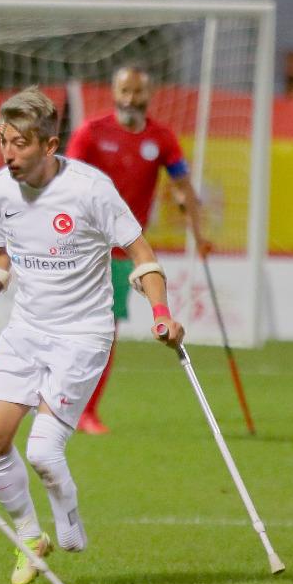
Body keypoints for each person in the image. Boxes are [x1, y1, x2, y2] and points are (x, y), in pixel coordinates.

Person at [0, 87, 183, 584]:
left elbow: (143, 255)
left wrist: (161, 312)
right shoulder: (0, 190)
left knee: (42, 454)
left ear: (50, 145)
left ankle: (69, 522)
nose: (9, 154)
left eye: (21, 144)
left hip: (82, 334)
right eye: (5, 142)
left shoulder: (91, 190)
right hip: (26, 329)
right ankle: (30, 537)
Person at [65, 65, 213, 435]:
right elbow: (64, 181)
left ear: (149, 94)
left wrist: (197, 230)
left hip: (124, 250)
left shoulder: (162, 138)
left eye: (138, 92)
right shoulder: (91, 132)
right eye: (124, 91)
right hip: (81, 245)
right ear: (114, 92)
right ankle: (56, 400)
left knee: (105, 330)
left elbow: (183, 184)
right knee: (66, 324)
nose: (131, 99)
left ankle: (87, 412)